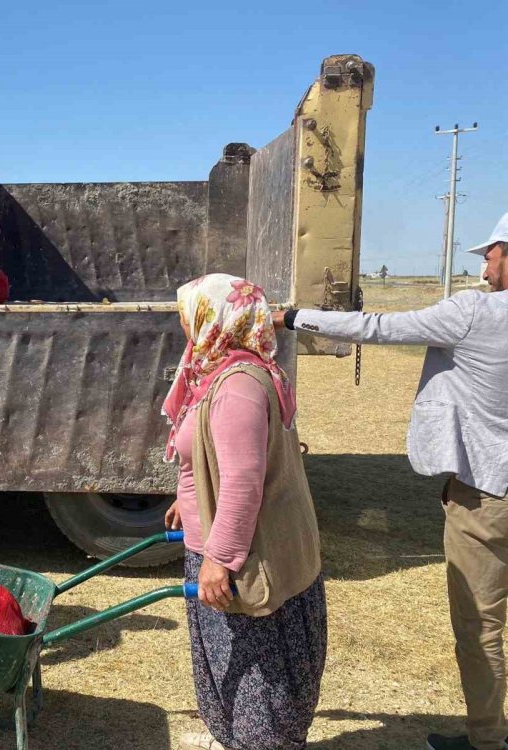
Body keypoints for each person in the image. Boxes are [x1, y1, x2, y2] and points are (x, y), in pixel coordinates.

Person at [273, 212, 508, 750]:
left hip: (488, 495)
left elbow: (377, 328)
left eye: (492, 251)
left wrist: (291, 318)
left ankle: (488, 742)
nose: (486, 263)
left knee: (482, 629)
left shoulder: (473, 312)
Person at [164, 273, 326, 750]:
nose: (183, 326)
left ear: (217, 317)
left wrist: (220, 559)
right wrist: (188, 494)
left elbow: (242, 481)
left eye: (188, 314)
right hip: (213, 546)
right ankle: (238, 738)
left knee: (258, 680)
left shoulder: (238, 386)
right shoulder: (217, 371)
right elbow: (210, 456)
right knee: (225, 670)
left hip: (240, 560)